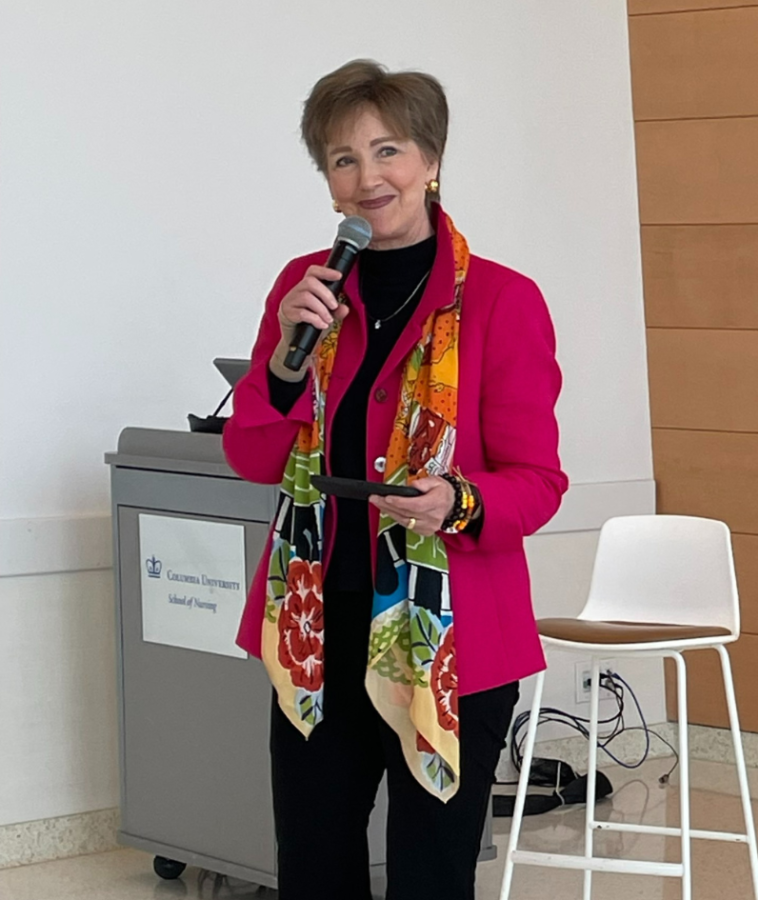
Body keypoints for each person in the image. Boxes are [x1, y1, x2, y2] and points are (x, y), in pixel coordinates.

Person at [222, 59, 567, 900]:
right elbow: (253, 458)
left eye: (388, 151)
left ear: (432, 160)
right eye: (343, 159)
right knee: (314, 869)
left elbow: (539, 480)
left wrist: (460, 500)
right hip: (316, 627)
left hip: (451, 639)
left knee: (429, 877)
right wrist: (277, 365)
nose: (367, 177)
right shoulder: (305, 289)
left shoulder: (500, 300)